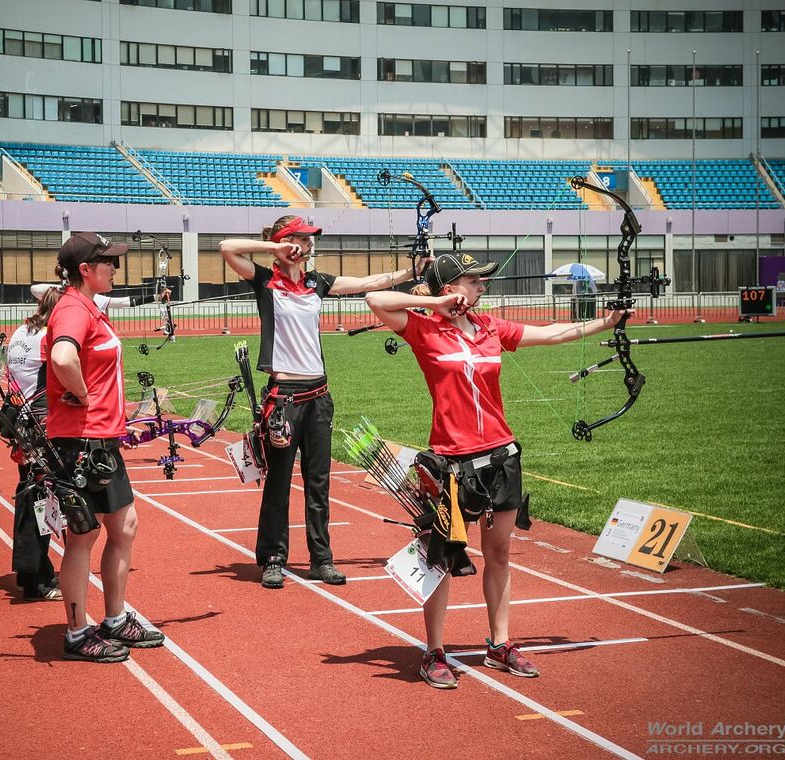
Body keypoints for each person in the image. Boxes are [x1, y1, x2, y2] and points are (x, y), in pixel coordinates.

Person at [365, 251, 628, 689]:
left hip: (500, 456)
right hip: (452, 460)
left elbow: (552, 333)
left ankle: (500, 644)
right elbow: (375, 299)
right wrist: (434, 304)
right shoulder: (424, 329)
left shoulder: (490, 327)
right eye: (474, 281)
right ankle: (434, 651)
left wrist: (606, 322)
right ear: (451, 287)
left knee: (499, 553)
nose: (483, 286)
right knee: (443, 558)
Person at [219, 215, 425, 589]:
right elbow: (227, 248)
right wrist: (274, 248)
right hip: (284, 399)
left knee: (319, 483)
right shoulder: (265, 280)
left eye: (310, 239)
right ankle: (272, 559)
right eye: (302, 238)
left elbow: (369, 283)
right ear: (285, 241)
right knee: (279, 483)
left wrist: (412, 271)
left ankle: (321, 559)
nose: (309, 244)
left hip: (318, 398)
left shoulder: (317, 282)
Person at [46, 232, 164, 663]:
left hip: (100, 439)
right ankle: (77, 633)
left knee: (124, 525)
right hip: (82, 440)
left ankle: (114, 619)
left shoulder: (88, 306)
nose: (115, 269)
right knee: (83, 535)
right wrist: (83, 395)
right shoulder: (73, 309)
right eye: (108, 262)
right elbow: (62, 357)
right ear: (85, 269)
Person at [4, 285, 61, 600]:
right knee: (40, 500)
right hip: (41, 426)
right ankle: (35, 578)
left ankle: (34, 571)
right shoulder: (49, 335)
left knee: (33, 497)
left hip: (23, 423)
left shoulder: (21, 331)